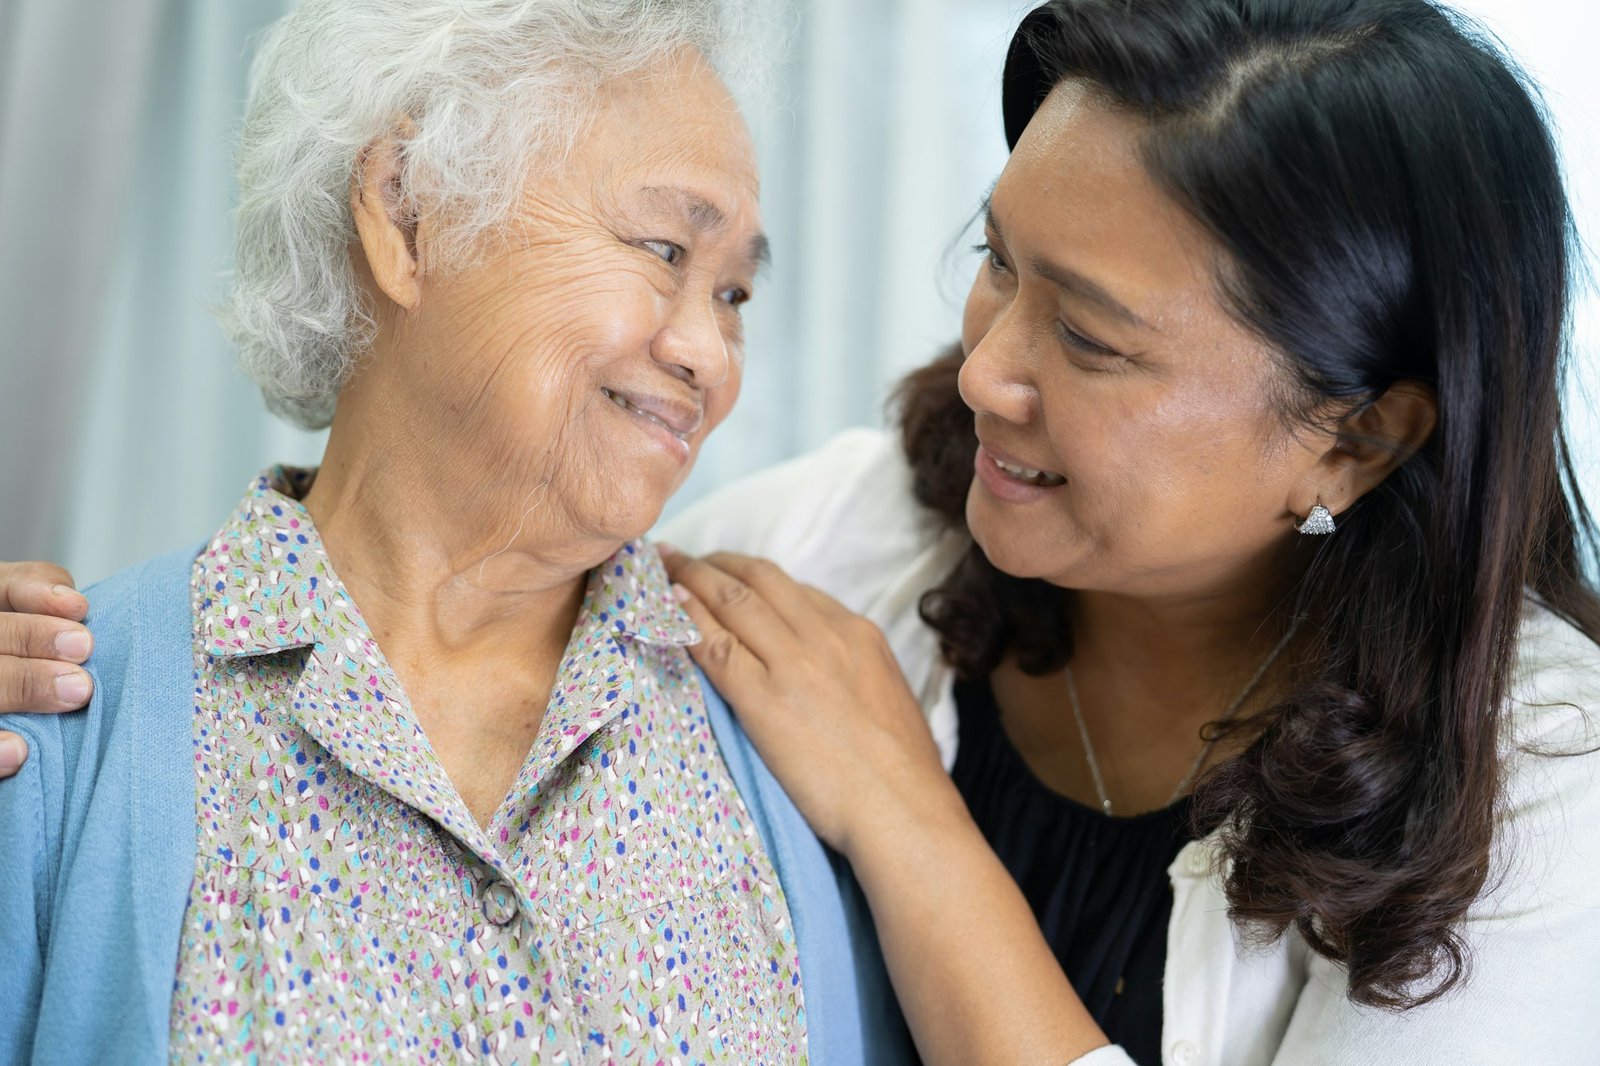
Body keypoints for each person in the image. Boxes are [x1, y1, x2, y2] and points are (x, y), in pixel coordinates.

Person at [4, 0, 1600, 1063]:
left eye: (737, 287)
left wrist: (912, 824)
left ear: (1358, 432)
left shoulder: (1542, 788)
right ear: (406, 216)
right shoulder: (80, 732)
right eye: (996, 264)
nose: (980, 369)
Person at [0, 1, 913, 1062]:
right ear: (408, 213)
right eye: (664, 248)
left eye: (735, 292)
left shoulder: (794, 739)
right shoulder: (57, 717)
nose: (711, 354)